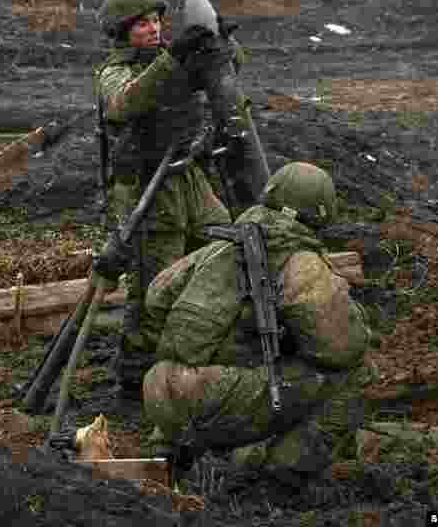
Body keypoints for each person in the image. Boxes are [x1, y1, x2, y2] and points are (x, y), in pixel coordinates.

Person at [140, 162, 373, 487]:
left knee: (211, 361)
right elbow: (341, 349)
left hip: (157, 391)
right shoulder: (300, 262)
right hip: (210, 397)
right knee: (356, 373)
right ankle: (282, 475)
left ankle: (167, 455)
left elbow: (155, 297)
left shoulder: (220, 246)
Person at [94, 0, 233, 397]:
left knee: (224, 247)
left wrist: (221, 43)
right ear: (123, 31)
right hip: (147, 189)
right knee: (154, 287)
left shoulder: (171, 59)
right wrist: (174, 59)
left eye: (156, 21)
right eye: (142, 24)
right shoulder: (115, 72)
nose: (153, 29)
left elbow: (223, 75)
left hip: (187, 177)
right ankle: (136, 376)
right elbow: (126, 102)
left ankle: (202, 347)